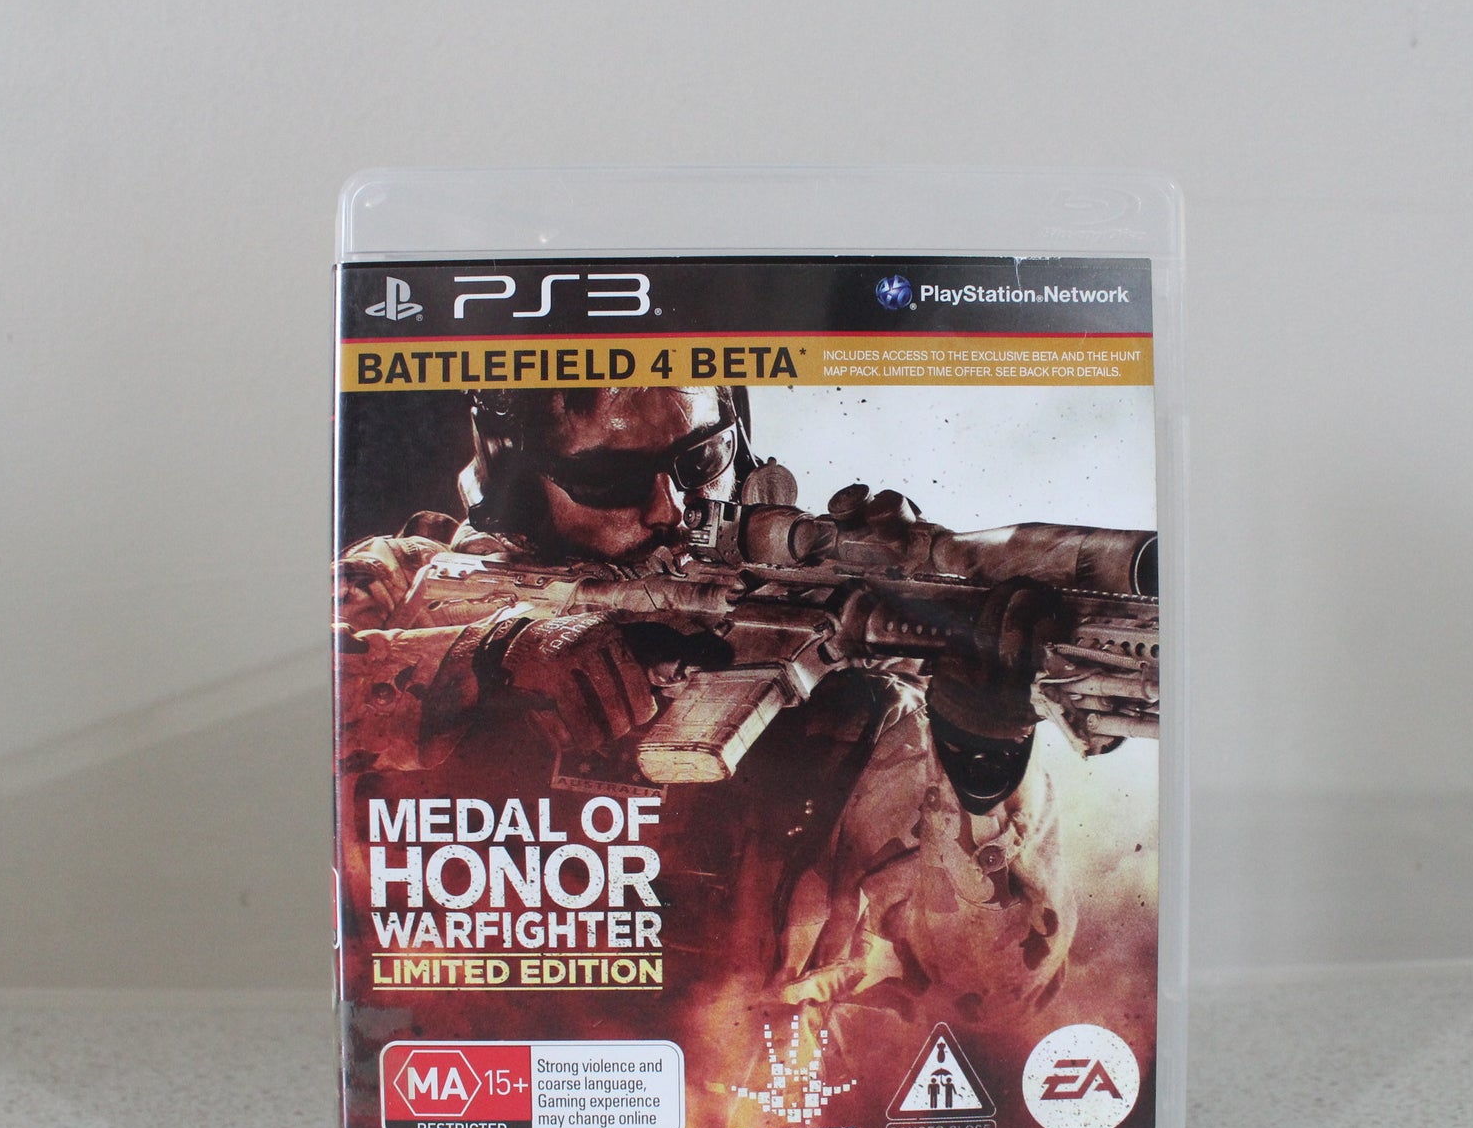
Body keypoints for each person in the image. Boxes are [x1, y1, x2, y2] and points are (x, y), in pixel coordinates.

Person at [335, 385, 1104, 1066]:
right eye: (611, 481)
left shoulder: (849, 698)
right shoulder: (400, 584)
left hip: (737, 1121)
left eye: (701, 461)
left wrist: (982, 765)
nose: (670, 509)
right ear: (519, 485)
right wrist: (492, 656)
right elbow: (312, 710)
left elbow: (997, 995)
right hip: (450, 1078)